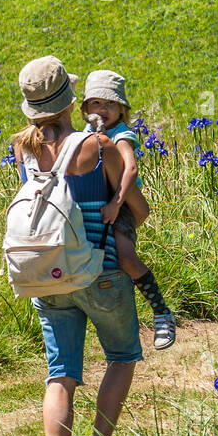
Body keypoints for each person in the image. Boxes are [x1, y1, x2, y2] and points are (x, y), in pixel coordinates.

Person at [10, 56, 141, 436]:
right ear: (70, 98)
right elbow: (137, 208)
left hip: (46, 275)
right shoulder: (97, 145)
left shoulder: (20, 147)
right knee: (122, 356)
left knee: (60, 375)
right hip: (98, 270)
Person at [81, 70, 177, 350]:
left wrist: (116, 202)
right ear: (86, 108)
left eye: (110, 104)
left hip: (118, 201)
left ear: (122, 110)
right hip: (94, 201)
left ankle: (161, 311)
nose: (102, 109)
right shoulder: (86, 134)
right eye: (96, 103)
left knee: (124, 254)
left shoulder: (121, 134)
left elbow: (130, 168)